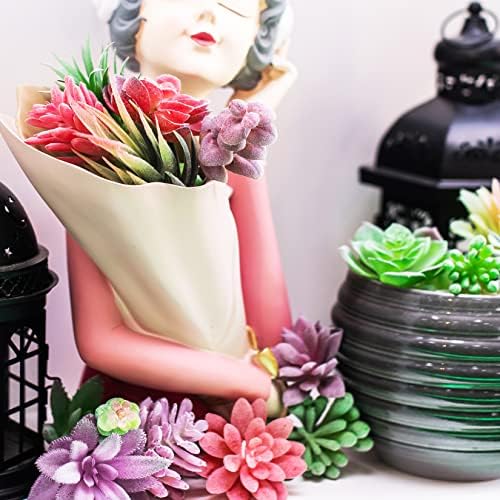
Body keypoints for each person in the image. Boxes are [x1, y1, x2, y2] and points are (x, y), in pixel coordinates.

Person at [72, 0, 298, 414]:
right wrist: (248, 382)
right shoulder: (99, 146)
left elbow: (270, 324)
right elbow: (99, 338)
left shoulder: (236, 160)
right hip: (129, 420)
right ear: (133, 14)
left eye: (235, 7)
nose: (209, 13)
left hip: (234, 421)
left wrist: (252, 117)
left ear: (259, 40)